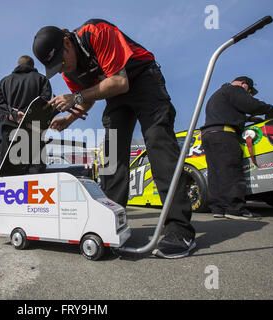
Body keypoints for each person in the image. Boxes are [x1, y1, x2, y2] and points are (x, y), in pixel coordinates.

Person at [33, 19, 196, 258]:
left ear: (67, 42)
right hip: (115, 95)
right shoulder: (70, 71)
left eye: (61, 61)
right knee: (111, 156)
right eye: (56, 68)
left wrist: (75, 99)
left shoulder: (96, 32)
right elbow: (86, 98)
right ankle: (110, 224)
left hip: (142, 79)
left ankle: (180, 229)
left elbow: (120, 81)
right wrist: (68, 120)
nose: (63, 69)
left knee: (158, 144)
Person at [201, 76, 273, 220]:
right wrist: (270, 108)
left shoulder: (219, 93)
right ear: (244, 84)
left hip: (209, 134)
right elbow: (251, 105)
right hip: (225, 134)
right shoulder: (235, 89)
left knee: (216, 172)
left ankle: (218, 208)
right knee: (231, 170)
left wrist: (248, 119)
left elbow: (227, 111)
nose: (248, 94)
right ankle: (235, 209)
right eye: (249, 91)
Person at [0, 55, 52, 186]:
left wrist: (12, 113)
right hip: (34, 132)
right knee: (35, 170)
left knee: (5, 172)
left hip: (8, 133)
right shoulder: (42, 80)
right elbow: (45, 101)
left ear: (17, 65)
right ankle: (31, 203)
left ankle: (2, 203)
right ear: (33, 66)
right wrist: (28, 114)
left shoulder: (4, 81)